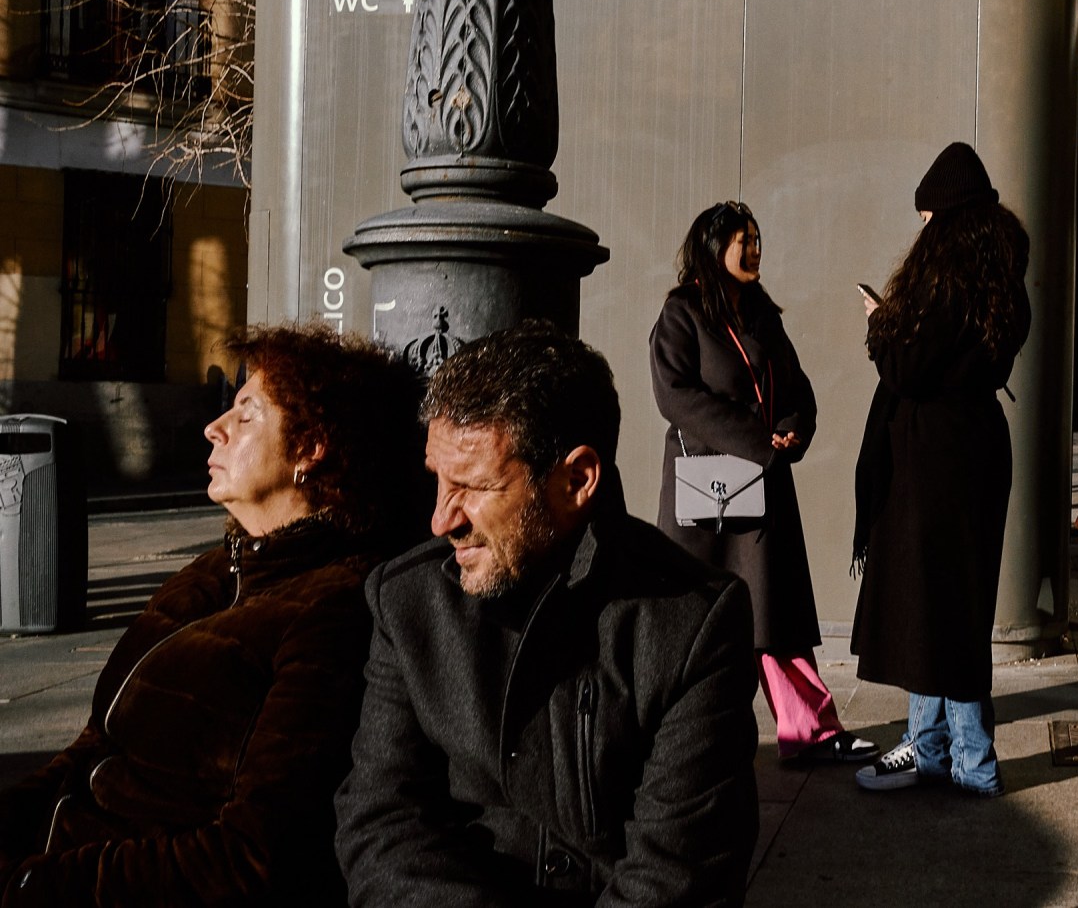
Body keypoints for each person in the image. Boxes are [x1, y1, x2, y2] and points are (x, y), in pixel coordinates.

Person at [335, 320, 758, 907]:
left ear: (577, 480)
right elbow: (383, 823)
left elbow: (680, 873)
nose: (441, 520)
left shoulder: (691, 622)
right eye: (438, 482)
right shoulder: (409, 601)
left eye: (474, 487)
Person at [0, 324, 424, 906]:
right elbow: (92, 747)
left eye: (247, 415)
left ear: (310, 449)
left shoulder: (333, 608)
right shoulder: (212, 571)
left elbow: (252, 855)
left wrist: (30, 884)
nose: (214, 428)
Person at [649, 201, 876, 764]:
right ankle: (681, 741)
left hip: (763, 485)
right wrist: (755, 440)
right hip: (708, 495)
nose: (754, 250)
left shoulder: (761, 314)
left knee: (776, 617)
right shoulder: (682, 314)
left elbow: (796, 386)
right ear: (713, 246)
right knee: (695, 626)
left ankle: (812, 734)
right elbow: (675, 395)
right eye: (743, 241)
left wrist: (794, 429)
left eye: (757, 240)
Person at [850, 142, 1030, 797]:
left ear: (944, 219)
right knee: (949, 607)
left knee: (941, 614)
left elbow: (907, 368)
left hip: (932, 461)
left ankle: (973, 766)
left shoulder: (943, 283)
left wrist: (881, 325)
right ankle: (929, 751)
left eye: (926, 217)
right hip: (976, 449)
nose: (921, 229)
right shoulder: (999, 282)